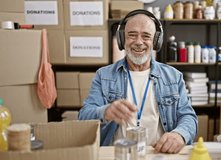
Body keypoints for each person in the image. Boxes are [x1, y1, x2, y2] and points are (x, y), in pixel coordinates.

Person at [78, 9, 198, 154]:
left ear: (155, 41)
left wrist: (180, 134)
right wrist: (105, 112)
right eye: (132, 35)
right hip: (119, 155)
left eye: (146, 36)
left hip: (160, 155)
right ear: (122, 40)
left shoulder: (174, 76)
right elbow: (84, 115)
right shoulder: (103, 75)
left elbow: (188, 116)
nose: (138, 42)